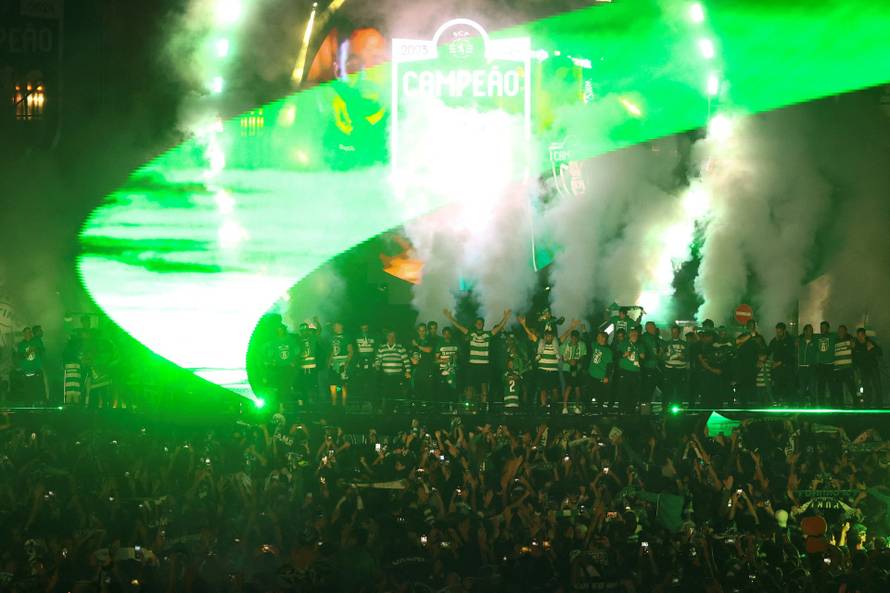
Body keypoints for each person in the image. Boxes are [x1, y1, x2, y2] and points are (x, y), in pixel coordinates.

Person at [442, 308, 511, 406]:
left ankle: (484, 407)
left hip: (484, 365)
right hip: (472, 365)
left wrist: (505, 318)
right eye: (477, 323)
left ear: (483, 325)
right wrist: (450, 318)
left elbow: (499, 327)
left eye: (481, 323)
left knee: (484, 389)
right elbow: (459, 326)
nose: (479, 324)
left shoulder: (487, 334)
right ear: (475, 324)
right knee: (469, 388)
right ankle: (469, 407)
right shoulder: (471, 333)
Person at [518, 316, 575, 411]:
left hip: (553, 371)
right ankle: (543, 406)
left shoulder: (556, 344)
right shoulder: (540, 343)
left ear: (553, 337)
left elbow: (565, 335)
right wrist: (524, 325)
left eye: (550, 336)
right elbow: (531, 334)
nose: (548, 337)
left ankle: (553, 405)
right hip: (542, 371)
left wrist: (572, 327)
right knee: (543, 389)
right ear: (544, 336)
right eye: (547, 336)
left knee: (555, 391)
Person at [375, 330, 411, 410]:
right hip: (386, 376)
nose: (391, 338)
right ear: (387, 337)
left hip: (397, 376)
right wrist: (377, 366)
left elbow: (406, 361)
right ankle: (386, 411)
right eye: (389, 336)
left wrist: (408, 371)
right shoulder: (382, 347)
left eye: (393, 336)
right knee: (386, 394)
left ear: (395, 337)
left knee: (397, 394)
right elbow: (378, 359)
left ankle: (398, 410)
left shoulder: (400, 347)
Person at [265, 323, 298, 407]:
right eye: (278, 330)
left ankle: (287, 401)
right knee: (280, 384)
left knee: (288, 383)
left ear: (284, 330)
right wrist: (272, 360)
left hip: (289, 365)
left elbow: (296, 350)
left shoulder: (290, 339)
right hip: (279, 366)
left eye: (281, 330)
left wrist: (294, 360)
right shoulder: (274, 341)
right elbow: (271, 352)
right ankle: (281, 402)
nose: (280, 332)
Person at [735, 319, 766, 407]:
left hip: (753, 366)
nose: (751, 328)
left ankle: (753, 405)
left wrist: (761, 361)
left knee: (752, 386)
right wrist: (749, 336)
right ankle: (743, 405)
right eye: (750, 326)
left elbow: (764, 350)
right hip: (742, 366)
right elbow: (737, 343)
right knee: (743, 387)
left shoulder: (758, 338)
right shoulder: (743, 336)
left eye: (753, 326)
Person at [14, 326, 46, 403]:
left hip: (37, 370)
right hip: (26, 372)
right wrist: (26, 354)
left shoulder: (36, 341)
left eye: (29, 332)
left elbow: (42, 351)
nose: (28, 334)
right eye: (26, 332)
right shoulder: (21, 345)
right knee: (28, 391)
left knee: (39, 390)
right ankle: (29, 406)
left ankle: (41, 404)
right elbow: (19, 356)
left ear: (31, 333)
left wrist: (36, 349)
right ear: (23, 334)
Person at [853, 328, 883, 408]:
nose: (860, 337)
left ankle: (879, 404)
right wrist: (856, 367)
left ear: (864, 335)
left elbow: (880, 352)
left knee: (877, 385)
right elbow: (854, 357)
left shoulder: (869, 342)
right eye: (858, 336)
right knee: (866, 387)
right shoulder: (856, 345)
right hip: (863, 369)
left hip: (873, 368)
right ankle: (867, 403)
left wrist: (872, 348)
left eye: (861, 335)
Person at [616, 327, 644, 412]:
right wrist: (623, 354)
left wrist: (640, 353)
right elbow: (616, 354)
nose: (634, 336)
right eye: (632, 334)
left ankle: (631, 411)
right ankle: (622, 410)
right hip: (625, 371)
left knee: (635, 392)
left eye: (636, 334)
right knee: (623, 391)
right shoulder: (623, 343)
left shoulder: (640, 345)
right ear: (629, 335)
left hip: (636, 372)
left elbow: (643, 356)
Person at [560, 329, 587, 414]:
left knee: (577, 388)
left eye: (576, 338)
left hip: (578, 369)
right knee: (569, 386)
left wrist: (577, 361)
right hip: (567, 369)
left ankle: (577, 407)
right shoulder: (565, 345)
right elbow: (561, 357)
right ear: (570, 337)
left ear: (578, 338)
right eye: (573, 338)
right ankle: (564, 407)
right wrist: (569, 362)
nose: (574, 340)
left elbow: (583, 356)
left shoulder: (582, 344)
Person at [327, 321, 353, 408]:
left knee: (342, 385)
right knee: (333, 384)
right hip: (334, 364)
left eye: (337, 326)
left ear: (341, 326)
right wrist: (329, 362)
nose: (335, 328)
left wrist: (346, 364)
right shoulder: (332, 337)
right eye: (334, 326)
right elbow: (332, 350)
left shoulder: (346, 336)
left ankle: (343, 404)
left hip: (342, 363)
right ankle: (334, 403)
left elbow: (350, 351)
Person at [769, 322, 796, 404]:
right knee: (777, 388)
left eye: (780, 332)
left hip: (788, 369)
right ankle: (778, 404)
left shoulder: (790, 340)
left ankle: (790, 405)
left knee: (790, 388)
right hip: (778, 370)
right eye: (777, 332)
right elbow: (768, 350)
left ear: (784, 331)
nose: (778, 334)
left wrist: (779, 363)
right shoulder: (775, 340)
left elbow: (790, 355)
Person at [296, 320, 321, 406]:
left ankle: (313, 401)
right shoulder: (298, 339)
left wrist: (317, 322)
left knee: (312, 384)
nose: (304, 332)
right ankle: (304, 401)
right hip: (302, 366)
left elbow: (318, 331)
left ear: (308, 330)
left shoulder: (312, 338)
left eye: (305, 330)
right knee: (302, 384)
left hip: (312, 365)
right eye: (302, 330)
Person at [662, 325, 688, 407]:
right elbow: (663, 357)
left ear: (679, 333)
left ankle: (678, 407)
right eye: (673, 332)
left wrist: (677, 356)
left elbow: (687, 358)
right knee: (667, 389)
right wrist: (673, 356)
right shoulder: (666, 343)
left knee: (680, 389)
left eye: (676, 332)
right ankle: (665, 407)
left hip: (681, 370)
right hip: (669, 370)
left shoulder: (684, 344)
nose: (674, 334)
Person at [409, 323, 435, 403]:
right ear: (417, 331)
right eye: (420, 330)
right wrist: (412, 359)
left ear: (426, 331)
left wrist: (417, 346)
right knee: (417, 393)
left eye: (423, 330)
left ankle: (428, 409)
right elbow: (409, 353)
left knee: (428, 393)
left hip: (427, 371)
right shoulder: (414, 341)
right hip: (416, 372)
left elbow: (429, 350)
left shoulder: (430, 340)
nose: (422, 332)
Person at [587, 331, 614, 410]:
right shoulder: (595, 345)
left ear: (603, 338)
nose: (597, 338)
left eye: (599, 337)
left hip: (601, 375)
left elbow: (609, 365)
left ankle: (600, 409)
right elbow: (587, 340)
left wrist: (607, 376)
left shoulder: (608, 350)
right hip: (591, 374)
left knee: (600, 394)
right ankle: (588, 409)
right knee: (589, 392)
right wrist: (584, 330)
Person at [352, 322, 377, 404]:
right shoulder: (356, 336)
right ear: (360, 328)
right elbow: (354, 350)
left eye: (366, 328)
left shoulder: (373, 336)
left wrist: (375, 361)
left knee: (371, 382)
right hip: (360, 362)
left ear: (368, 328)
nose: (364, 330)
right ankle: (361, 401)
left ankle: (370, 400)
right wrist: (356, 361)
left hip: (371, 362)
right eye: (363, 328)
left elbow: (376, 349)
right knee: (360, 382)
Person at [435, 326, 460, 405]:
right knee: (443, 391)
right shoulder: (439, 344)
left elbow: (461, 356)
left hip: (454, 371)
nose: (447, 335)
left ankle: (454, 408)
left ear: (451, 334)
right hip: (443, 371)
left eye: (448, 333)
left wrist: (457, 357)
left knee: (454, 391)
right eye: (445, 334)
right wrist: (443, 360)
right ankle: (444, 407)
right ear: (443, 334)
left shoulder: (456, 343)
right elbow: (435, 360)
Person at [639, 321, 663, 405]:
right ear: (647, 328)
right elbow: (648, 353)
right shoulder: (645, 338)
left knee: (651, 388)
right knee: (647, 389)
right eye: (652, 327)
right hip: (648, 368)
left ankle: (647, 406)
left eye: (654, 327)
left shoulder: (655, 338)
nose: (654, 329)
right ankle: (645, 407)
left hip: (655, 368)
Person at [832, 325, 856, 407]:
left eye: (842, 330)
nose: (840, 332)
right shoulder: (835, 341)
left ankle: (857, 404)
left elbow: (855, 350)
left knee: (852, 387)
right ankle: (841, 405)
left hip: (847, 368)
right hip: (838, 369)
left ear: (846, 331)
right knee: (839, 389)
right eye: (839, 330)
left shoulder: (850, 340)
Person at [797, 324, 819, 406]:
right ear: (805, 331)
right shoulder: (800, 341)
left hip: (811, 368)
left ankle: (813, 406)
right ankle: (801, 406)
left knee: (812, 388)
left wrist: (815, 364)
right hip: (802, 368)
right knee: (802, 389)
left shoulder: (815, 342)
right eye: (808, 330)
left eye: (811, 331)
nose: (810, 332)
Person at [816, 321, 835, 405]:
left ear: (828, 328)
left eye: (824, 327)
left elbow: (844, 335)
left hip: (830, 365)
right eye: (821, 328)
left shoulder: (833, 336)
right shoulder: (817, 337)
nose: (822, 329)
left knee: (832, 385)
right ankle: (821, 404)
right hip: (821, 365)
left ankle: (833, 403)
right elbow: (804, 335)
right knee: (821, 385)